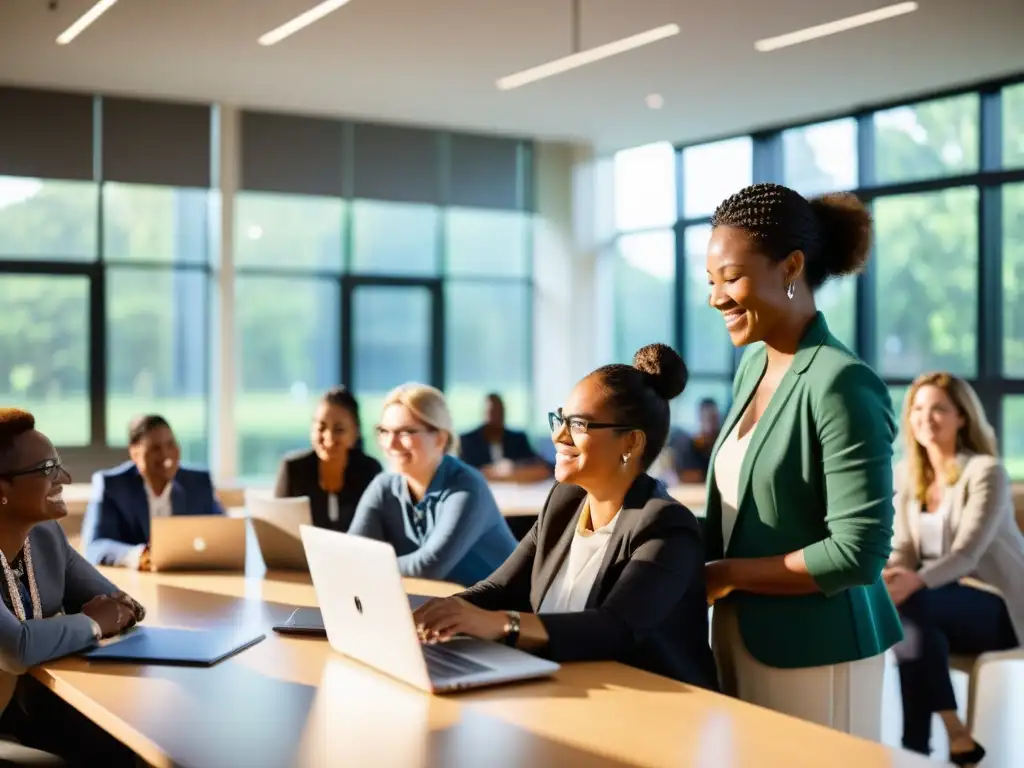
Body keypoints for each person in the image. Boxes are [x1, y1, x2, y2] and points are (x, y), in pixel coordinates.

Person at [702, 183, 902, 737]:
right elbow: (739, 510)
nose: (717, 297)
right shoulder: (752, 369)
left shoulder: (840, 382)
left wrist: (723, 575)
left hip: (820, 649)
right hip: (741, 636)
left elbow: (856, 552)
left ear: (791, 266)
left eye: (732, 278)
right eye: (711, 281)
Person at [413, 345, 719, 690]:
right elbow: (500, 588)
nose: (559, 436)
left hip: (645, 711)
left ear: (631, 443)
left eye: (578, 424)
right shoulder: (565, 501)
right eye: (560, 419)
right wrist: (438, 614)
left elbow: (614, 629)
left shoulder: (667, 526)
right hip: (558, 686)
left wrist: (502, 625)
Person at [886, 372, 1023, 765]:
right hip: (937, 605)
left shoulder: (987, 472)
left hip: (998, 606)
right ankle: (936, 743)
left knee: (912, 609)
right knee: (913, 623)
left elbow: (966, 554)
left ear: (962, 417)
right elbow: (905, 548)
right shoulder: (907, 475)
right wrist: (894, 573)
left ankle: (932, 739)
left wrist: (911, 581)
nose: (926, 418)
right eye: (918, 408)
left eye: (939, 409)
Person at [0, 409, 144, 763]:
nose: (64, 477)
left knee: (127, 749)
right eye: (48, 470)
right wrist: (94, 622)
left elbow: (118, 605)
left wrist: (115, 612)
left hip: (30, 709)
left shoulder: (47, 536)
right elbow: (16, 648)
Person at [348, 384, 517, 585]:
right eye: (384, 431)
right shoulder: (384, 486)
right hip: (445, 605)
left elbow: (429, 567)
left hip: (508, 610)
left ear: (440, 438)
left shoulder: (467, 487)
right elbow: (353, 553)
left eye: (405, 432)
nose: (390, 444)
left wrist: (366, 564)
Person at [81, 415, 223, 569]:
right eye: (155, 448)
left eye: (170, 444)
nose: (165, 454)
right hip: (136, 583)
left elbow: (224, 531)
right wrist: (139, 555)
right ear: (134, 453)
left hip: (191, 578)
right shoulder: (112, 485)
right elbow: (95, 546)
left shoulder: (198, 483)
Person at [274, 387, 382, 532]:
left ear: (355, 433)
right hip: (299, 554)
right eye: (321, 427)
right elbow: (276, 529)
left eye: (339, 430)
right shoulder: (293, 468)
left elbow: (379, 531)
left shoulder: (370, 470)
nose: (329, 439)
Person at [459, 394, 552, 483]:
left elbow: (538, 465)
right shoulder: (468, 441)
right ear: (483, 413)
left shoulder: (518, 439)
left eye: (499, 412)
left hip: (518, 492)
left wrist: (513, 471)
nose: (496, 417)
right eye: (492, 412)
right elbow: (463, 472)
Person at [671, 398, 722, 483]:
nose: (711, 425)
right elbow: (686, 477)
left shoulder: (723, 446)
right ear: (700, 418)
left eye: (714, 418)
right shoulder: (689, 447)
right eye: (707, 418)